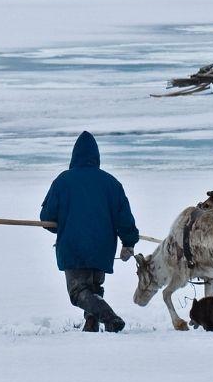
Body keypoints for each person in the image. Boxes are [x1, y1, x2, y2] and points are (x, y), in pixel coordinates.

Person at [39, 131, 139, 332]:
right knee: (94, 288)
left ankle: (110, 318)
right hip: (102, 248)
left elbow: (47, 218)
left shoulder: (63, 181)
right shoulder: (111, 183)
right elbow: (124, 217)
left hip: (74, 246)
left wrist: (62, 227)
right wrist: (128, 242)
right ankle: (91, 324)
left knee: (78, 292)